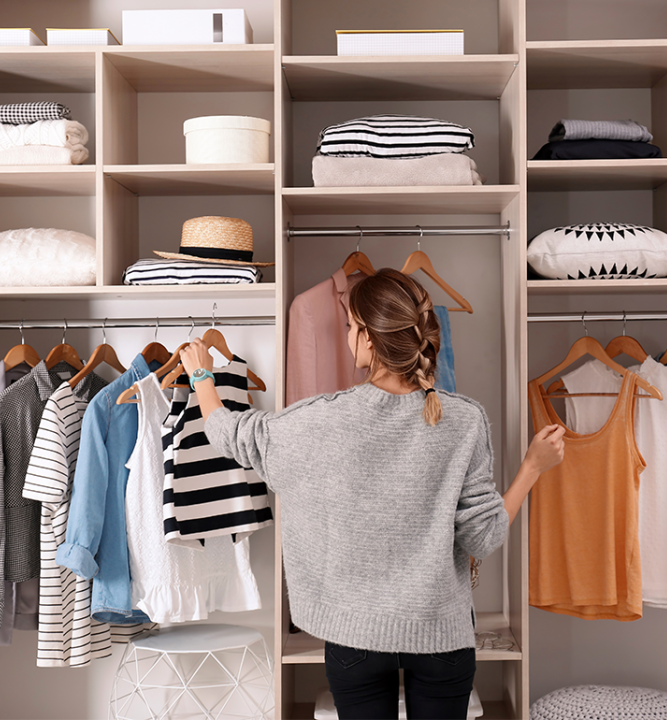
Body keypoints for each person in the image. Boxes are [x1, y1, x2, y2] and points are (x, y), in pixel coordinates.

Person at [182, 268, 565, 720]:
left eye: (349, 327)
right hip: (441, 636)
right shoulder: (465, 420)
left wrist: (203, 378)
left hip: (354, 639)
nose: (347, 335)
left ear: (366, 337)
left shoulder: (320, 419)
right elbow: (482, 538)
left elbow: (233, 435)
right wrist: (531, 469)